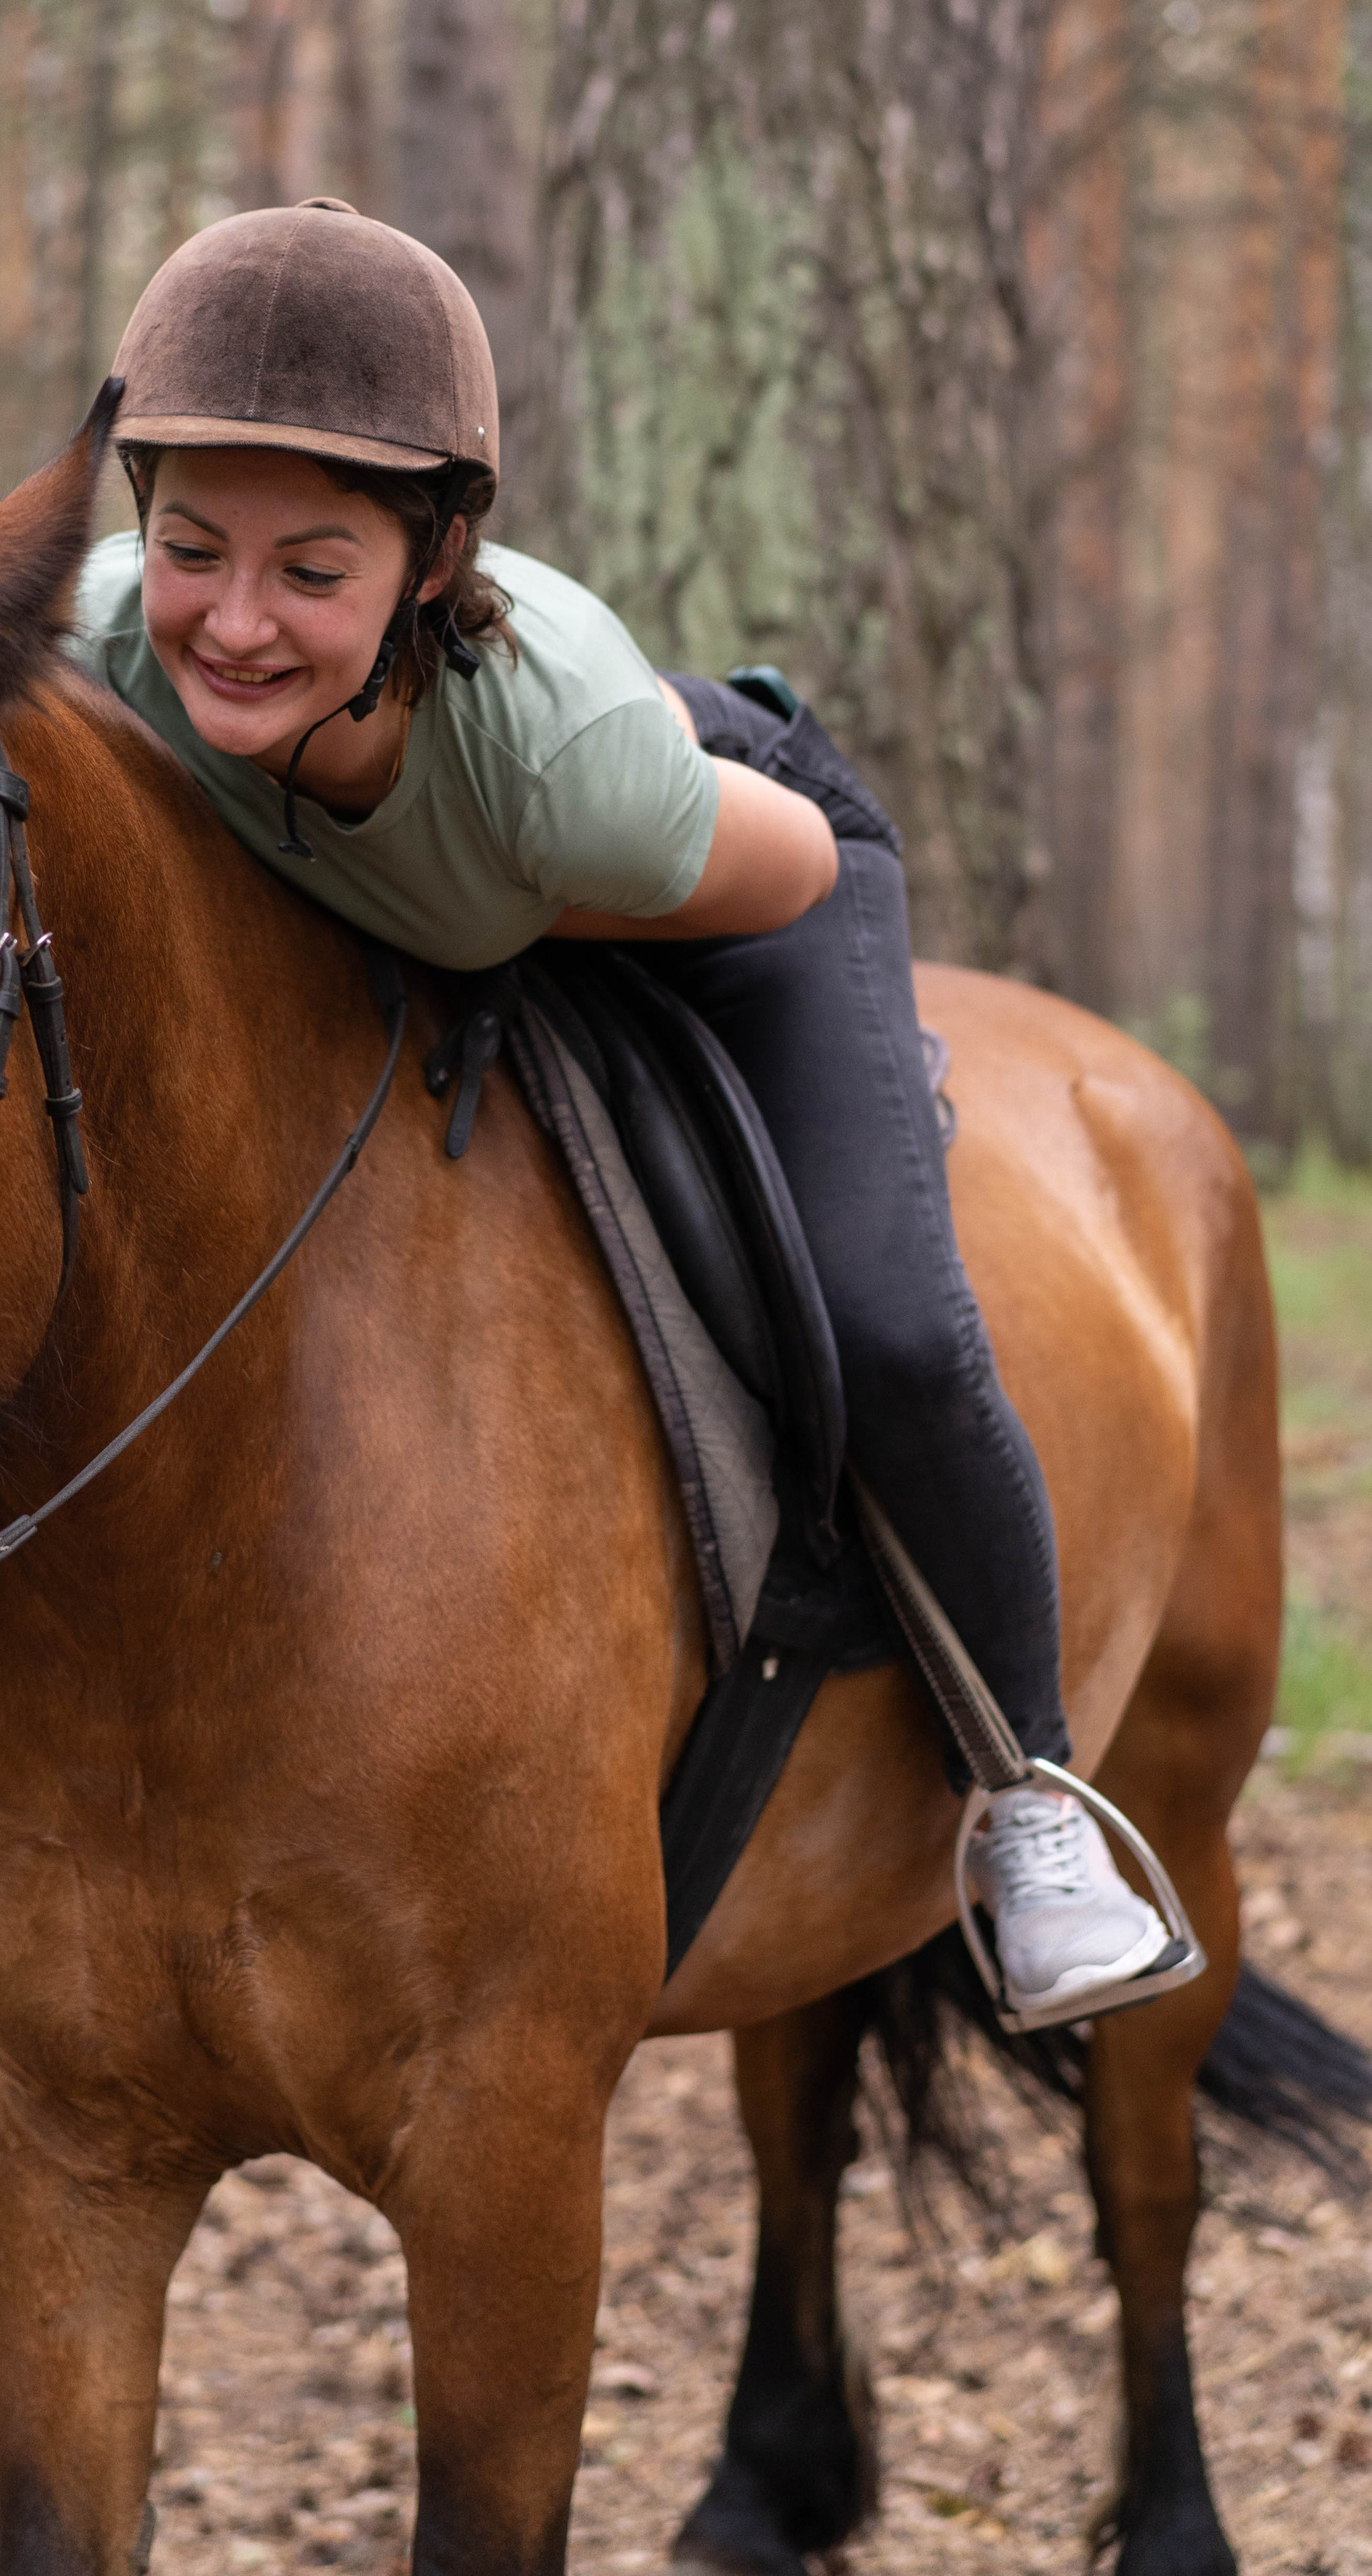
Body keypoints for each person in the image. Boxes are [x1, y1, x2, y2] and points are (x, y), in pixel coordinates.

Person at [65, 195, 1177, 2027]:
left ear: (429, 565)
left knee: (889, 1322)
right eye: (193, 546)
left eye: (313, 571)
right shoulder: (119, 645)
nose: (236, 622)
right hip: (471, 870)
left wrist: (483, 916)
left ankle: (1028, 1800)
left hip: (716, 877)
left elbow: (791, 867)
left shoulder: (568, 772)